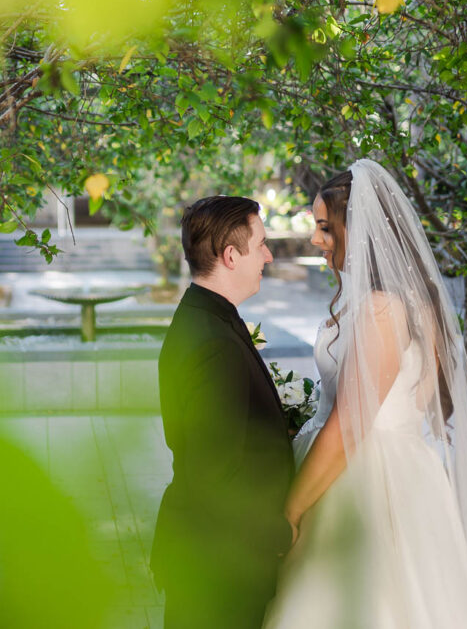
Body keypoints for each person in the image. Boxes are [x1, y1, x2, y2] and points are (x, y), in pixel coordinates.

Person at [264, 160, 467, 628]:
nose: (316, 240)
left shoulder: (382, 309)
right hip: (401, 469)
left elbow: (353, 424)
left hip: (366, 482)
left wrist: (290, 511)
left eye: (325, 228)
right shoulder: (405, 302)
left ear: (360, 232)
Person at [151, 195, 295, 629]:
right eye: (262, 244)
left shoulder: (206, 318)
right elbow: (216, 475)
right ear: (231, 256)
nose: (268, 256)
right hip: (218, 565)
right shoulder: (213, 343)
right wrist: (278, 534)